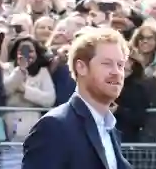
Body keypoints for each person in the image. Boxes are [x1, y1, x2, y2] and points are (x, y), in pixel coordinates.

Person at [22, 28, 132, 169]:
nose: (116, 72)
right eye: (107, 63)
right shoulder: (54, 126)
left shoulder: (109, 128)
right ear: (81, 67)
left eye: (120, 65)